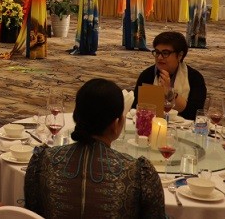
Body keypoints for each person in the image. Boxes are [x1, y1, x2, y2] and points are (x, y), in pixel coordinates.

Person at [25, 78, 165, 219]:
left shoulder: (43, 160)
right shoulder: (137, 172)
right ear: (116, 123)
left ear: (76, 116)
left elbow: (30, 213)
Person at [132, 31, 207, 120]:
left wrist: (169, 93)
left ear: (179, 55)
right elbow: (136, 109)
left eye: (165, 53)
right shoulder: (147, 75)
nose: (159, 57)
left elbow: (194, 114)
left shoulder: (194, 78)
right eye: (157, 52)